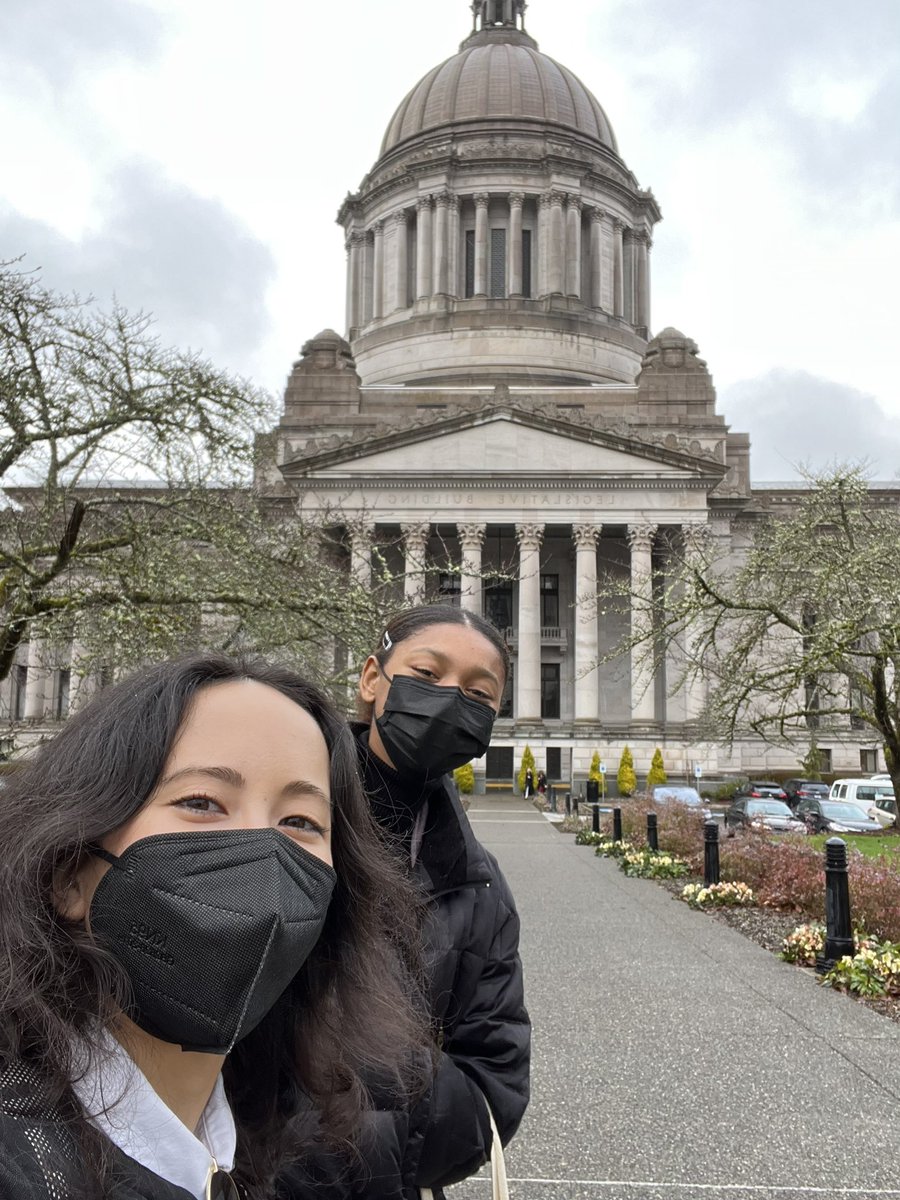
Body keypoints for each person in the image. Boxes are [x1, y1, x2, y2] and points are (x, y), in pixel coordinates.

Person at [0, 653, 430, 1199]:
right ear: (69, 875)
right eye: (201, 802)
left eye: (300, 822)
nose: (264, 855)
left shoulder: (313, 1143)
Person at [282, 604, 530, 1199]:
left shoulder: (481, 886)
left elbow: (493, 1084)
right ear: (372, 679)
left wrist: (373, 1136)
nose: (450, 699)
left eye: (479, 693)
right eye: (425, 674)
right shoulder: (273, 823)